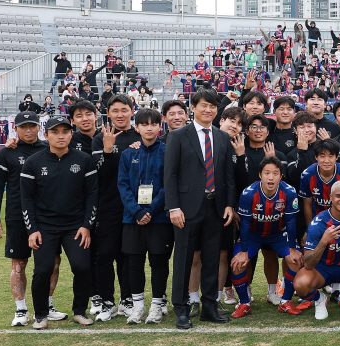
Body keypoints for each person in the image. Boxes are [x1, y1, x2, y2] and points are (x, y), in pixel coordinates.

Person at [164, 89, 236, 329]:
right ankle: (182, 309)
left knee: (212, 258)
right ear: (192, 108)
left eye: (213, 106)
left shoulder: (222, 137)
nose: (208, 110)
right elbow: (170, 175)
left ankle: (209, 307)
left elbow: (228, 175)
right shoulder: (178, 136)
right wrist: (173, 207)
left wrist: (228, 204)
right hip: (185, 208)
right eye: (204, 105)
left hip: (215, 207)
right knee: (183, 259)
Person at [20, 116, 99, 329]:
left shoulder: (84, 160)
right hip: (45, 227)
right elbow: (26, 199)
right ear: (46, 135)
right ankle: (40, 315)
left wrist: (86, 226)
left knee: (82, 267)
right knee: (43, 270)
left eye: (65, 131)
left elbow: (92, 195)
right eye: (55, 132)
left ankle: (80, 311)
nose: (61, 136)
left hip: (76, 226)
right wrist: (32, 230)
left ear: (71, 134)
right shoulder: (33, 162)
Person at [0, 111, 61, 326]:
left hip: (45, 217)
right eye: (23, 127)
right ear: (16, 128)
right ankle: (21, 310)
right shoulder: (6, 152)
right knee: (19, 263)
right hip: (16, 216)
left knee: (53, 263)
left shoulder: (49, 148)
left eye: (32, 126)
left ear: (39, 127)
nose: (28, 130)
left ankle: (47, 305)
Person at [228, 156, 304, 319]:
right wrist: (244, 251)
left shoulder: (289, 192)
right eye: (267, 173)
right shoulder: (249, 194)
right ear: (260, 175)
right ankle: (244, 304)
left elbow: (291, 221)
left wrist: (292, 248)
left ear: (280, 176)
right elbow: (245, 224)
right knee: (237, 263)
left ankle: (285, 302)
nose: (271, 177)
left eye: (275, 173)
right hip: (254, 235)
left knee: (296, 260)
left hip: (278, 235)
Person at [117, 109, 172, 324]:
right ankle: (138, 307)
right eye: (144, 124)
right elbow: (122, 186)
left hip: (159, 219)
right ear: (136, 127)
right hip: (133, 218)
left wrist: (151, 210)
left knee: (159, 261)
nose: (149, 128)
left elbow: (169, 185)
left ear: (161, 126)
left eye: (154, 124)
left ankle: (157, 306)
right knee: (134, 263)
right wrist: (138, 211)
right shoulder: (128, 154)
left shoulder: (168, 152)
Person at [90, 94, 138, 322]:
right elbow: (98, 174)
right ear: (108, 113)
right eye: (115, 111)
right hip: (107, 206)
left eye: (124, 110)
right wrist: (108, 151)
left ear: (132, 111)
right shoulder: (101, 138)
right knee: (105, 255)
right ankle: (107, 302)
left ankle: (127, 300)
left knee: (127, 256)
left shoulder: (140, 135)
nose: (120, 114)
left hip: (133, 207)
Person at [292, 181, 340, 320]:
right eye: (338, 196)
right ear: (331, 197)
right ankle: (319, 299)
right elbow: (307, 263)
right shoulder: (319, 223)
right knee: (301, 284)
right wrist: (324, 241)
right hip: (323, 270)